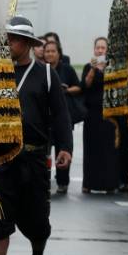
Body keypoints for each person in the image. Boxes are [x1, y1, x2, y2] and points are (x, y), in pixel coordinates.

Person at [0, 16, 73, 255]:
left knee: (38, 222)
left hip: (34, 159)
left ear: (27, 43)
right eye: (6, 38)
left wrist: (65, 148)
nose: (8, 44)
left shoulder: (47, 74)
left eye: (13, 39)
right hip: (0, 159)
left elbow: (60, 115)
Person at [81, 37, 122, 193]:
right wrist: (93, 68)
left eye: (103, 48)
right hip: (92, 114)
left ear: (107, 50)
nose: (100, 50)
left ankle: (109, 183)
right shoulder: (87, 67)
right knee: (91, 149)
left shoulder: (113, 68)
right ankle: (89, 183)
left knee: (108, 150)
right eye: (97, 47)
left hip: (109, 114)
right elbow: (86, 85)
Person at [44, 35, 82, 195]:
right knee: (44, 153)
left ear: (59, 53)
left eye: (53, 51)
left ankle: (62, 182)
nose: (50, 54)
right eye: (47, 51)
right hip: (45, 119)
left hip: (63, 117)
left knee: (63, 149)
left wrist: (65, 90)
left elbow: (79, 87)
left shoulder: (67, 69)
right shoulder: (40, 69)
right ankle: (43, 180)